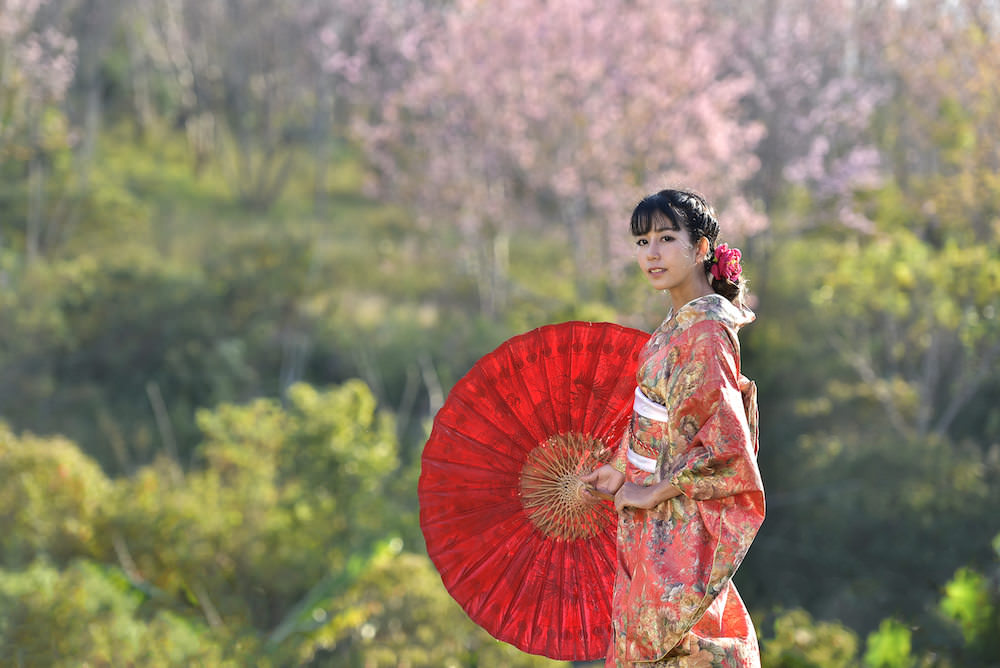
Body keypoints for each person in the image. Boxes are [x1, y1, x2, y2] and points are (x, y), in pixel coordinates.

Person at [581, 188, 765, 667]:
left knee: (681, 644)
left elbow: (725, 446)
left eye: (666, 238)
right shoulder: (678, 324)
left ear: (701, 247)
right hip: (655, 523)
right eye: (642, 242)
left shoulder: (704, 333)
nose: (652, 254)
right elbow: (662, 426)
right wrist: (623, 474)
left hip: (678, 522)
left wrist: (653, 492)